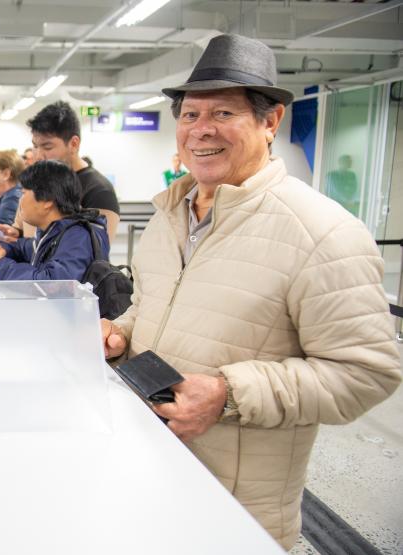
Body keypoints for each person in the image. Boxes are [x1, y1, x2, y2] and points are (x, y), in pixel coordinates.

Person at [101, 34, 401, 550]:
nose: (201, 131)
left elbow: (367, 372)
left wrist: (228, 394)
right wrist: (120, 333)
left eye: (223, 113)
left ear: (271, 122)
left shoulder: (321, 232)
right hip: (150, 471)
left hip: (235, 511)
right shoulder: (168, 216)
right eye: (190, 115)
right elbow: (154, 306)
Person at [0, 102, 121, 242]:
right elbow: (24, 229)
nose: (38, 155)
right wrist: (16, 233)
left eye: (47, 147)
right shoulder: (37, 182)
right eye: (35, 146)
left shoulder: (99, 191)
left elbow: (96, 251)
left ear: (74, 144)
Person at [0, 161, 108, 280]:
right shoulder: (54, 232)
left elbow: (53, 284)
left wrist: (2, 267)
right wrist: (3, 248)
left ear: (47, 201)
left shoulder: (77, 238)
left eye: (24, 193)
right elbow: (27, 248)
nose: (20, 201)